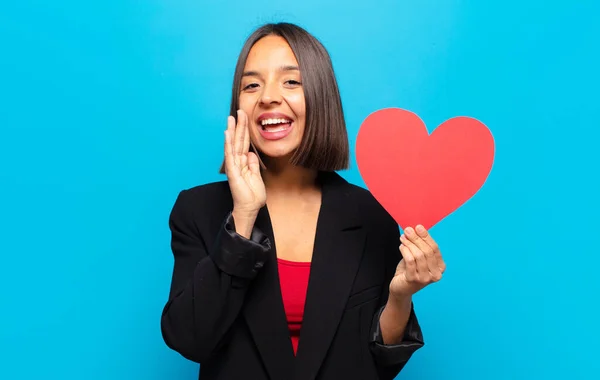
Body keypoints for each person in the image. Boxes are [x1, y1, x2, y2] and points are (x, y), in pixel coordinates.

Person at [160, 22, 446, 380]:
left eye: (290, 81)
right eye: (252, 85)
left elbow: (377, 361)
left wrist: (400, 297)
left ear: (320, 96)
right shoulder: (198, 210)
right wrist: (243, 219)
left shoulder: (371, 213)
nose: (268, 96)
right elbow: (189, 340)